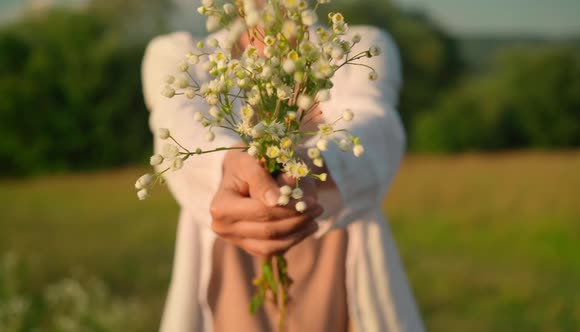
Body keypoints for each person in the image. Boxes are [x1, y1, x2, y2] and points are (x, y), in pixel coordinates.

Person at [142, 21, 425, 332]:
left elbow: (374, 127)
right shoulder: (181, 54)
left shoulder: (357, 46)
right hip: (233, 259)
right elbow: (177, 125)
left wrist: (306, 166)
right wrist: (227, 165)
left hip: (334, 246)